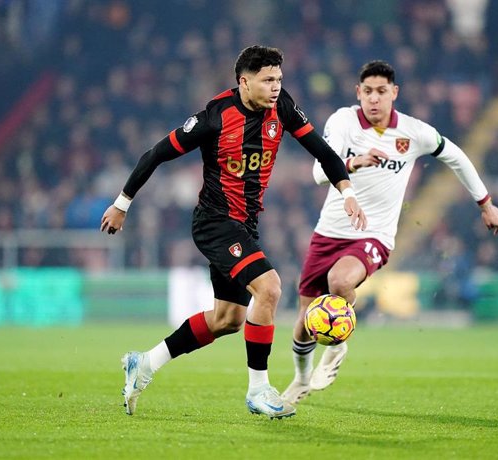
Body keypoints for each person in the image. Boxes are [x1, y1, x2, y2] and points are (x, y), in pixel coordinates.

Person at [100, 45, 367, 419]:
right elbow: (156, 153)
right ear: (244, 81)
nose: (276, 87)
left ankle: (144, 363)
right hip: (215, 221)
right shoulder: (215, 116)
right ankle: (259, 390)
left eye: (279, 79)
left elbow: (323, 152)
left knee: (228, 319)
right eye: (267, 80)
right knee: (270, 287)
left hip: (245, 224)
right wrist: (122, 203)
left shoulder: (283, 108)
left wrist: (348, 193)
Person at [282, 60, 498, 405]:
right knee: (305, 321)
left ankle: (339, 342)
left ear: (394, 93)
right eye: (368, 92)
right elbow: (318, 172)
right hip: (329, 232)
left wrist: (486, 203)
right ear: (358, 93)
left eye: (382, 92)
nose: (374, 99)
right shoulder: (342, 121)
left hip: (374, 235)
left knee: (341, 282)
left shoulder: (414, 132)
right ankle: (300, 380)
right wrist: (353, 162)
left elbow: (456, 156)